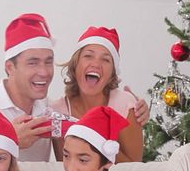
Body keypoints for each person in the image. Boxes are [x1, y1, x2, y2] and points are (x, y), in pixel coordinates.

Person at [0, 14, 149, 161]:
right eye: (33, 62)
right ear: (10, 67)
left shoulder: (48, 111)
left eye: (48, 61)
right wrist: (9, 141)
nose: (44, 72)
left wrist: (138, 108)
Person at [50, 26, 143, 163]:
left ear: (112, 73)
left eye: (105, 60)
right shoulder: (59, 112)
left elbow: (134, 167)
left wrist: (95, 139)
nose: (96, 64)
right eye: (88, 56)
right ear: (75, 65)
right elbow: (66, 168)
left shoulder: (124, 105)